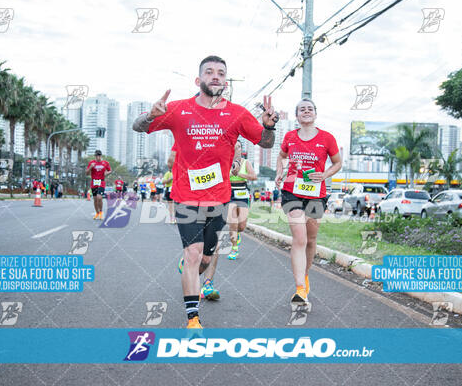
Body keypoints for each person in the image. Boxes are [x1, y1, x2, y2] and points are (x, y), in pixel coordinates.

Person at [132, 55, 277, 328]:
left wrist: (269, 126)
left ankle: (194, 269)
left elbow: (266, 143)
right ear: (198, 80)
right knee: (193, 253)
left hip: (220, 197)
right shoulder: (178, 109)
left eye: (221, 73)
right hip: (186, 195)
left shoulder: (237, 113)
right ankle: (193, 318)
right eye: (209, 72)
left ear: (226, 82)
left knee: (206, 258)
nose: (216, 76)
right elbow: (138, 127)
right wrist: (149, 115)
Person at [275, 98, 341, 306]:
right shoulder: (290, 137)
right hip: (292, 191)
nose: (306, 111)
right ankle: (300, 289)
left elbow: (338, 162)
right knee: (300, 238)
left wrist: (324, 175)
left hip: (316, 193)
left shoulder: (327, 138)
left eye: (309, 109)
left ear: (315, 114)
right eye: (302, 109)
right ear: (297, 115)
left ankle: (305, 277)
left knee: (311, 240)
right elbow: (281, 156)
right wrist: (279, 172)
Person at [227, 140, 257, 260]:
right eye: (234, 147)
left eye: (238, 147)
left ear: (241, 149)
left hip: (242, 193)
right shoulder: (226, 162)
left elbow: (253, 177)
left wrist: (239, 174)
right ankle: (234, 248)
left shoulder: (246, 162)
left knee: (241, 226)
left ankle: (237, 235)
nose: (236, 150)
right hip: (229, 193)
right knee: (232, 223)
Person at [86, 150, 112, 220]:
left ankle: (101, 212)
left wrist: (107, 173)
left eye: (99, 155)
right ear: (95, 156)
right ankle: (97, 213)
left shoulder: (105, 163)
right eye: (97, 155)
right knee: (95, 199)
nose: (98, 157)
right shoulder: (91, 163)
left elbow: (110, 170)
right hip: (94, 182)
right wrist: (91, 167)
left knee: (99, 197)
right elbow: (87, 173)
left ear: (101, 156)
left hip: (101, 182)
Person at [163, 153, 175, 223]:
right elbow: (163, 182)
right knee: (171, 205)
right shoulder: (168, 173)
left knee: (176, 205)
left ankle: (175, 218)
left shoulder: (179, 171)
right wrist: (170, 179)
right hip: (169, 190)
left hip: (177, 190)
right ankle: (171, 219)